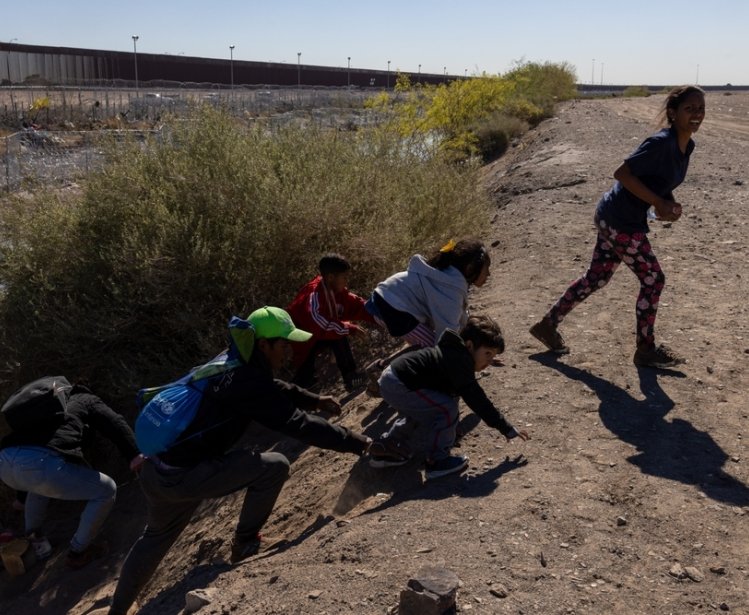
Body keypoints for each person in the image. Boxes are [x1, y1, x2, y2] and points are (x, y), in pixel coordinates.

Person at [107, 306, 373, 615]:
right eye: (284, 343)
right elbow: (296, 423)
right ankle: (245, 542)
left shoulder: (229, 361)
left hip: (156, 470)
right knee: (273, 467)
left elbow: (267, 385)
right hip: (187, 475)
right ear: (263, 345)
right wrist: (359, 443)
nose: (289, 350)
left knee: (154, 537)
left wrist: (311, 398)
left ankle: (117, 611)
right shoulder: (244, 377)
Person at [529, 85, 705, 368]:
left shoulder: (686, 146)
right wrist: (657, 203)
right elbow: (622, 174)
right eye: (689, 109)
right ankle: (645, 349)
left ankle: (547, 325)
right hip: (620, 221)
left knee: (596, 278)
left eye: (700, 109)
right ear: (673, 113)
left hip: (616, 218)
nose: (696, 114)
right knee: (653, 279)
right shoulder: (660, 143)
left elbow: (657, 181)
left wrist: (667, 203)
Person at [367, 315, 529, 480]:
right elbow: (477, 399)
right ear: (469, 345)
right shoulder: (460, 362)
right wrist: (505, 427)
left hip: (393, 379)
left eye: (493, 356)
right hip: (401, 384)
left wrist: (487, 359)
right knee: (446, 408)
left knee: (424, 409)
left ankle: (387, 449)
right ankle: (437, 462)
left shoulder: (454, 352)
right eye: (487, 354)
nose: (489, 360)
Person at [0, 381, 142, 568]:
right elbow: (115, 423)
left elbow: (26, 456)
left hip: (5, 460)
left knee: (38, 486)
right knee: (106, 490)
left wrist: (21, 498)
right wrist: (134, 454)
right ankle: (78, 552)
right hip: (39, 464)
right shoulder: (87, 399)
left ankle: (34, 541)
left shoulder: (44, 410)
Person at [364, 238, 492, 391]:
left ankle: (381, 369)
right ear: (471, 267)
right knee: (433, 348)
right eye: (487, 268)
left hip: (388, 300)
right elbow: (447, 334)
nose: (489, 274)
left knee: (425, 342)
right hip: (393, 307)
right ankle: (386, 380)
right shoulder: (450, 289)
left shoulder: (450, 279)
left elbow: (456, 317)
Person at [286, 253, 376, 391]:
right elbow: (319, 322)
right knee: (304, 378)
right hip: (300, 341)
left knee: (339, 334)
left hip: (315, 336)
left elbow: (355, 305)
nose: (346, 281)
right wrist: (350, 328)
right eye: (344, 277)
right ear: (330, 277)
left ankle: (352, 378)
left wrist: (376, 313)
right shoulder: (314, 294)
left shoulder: (334, 290)